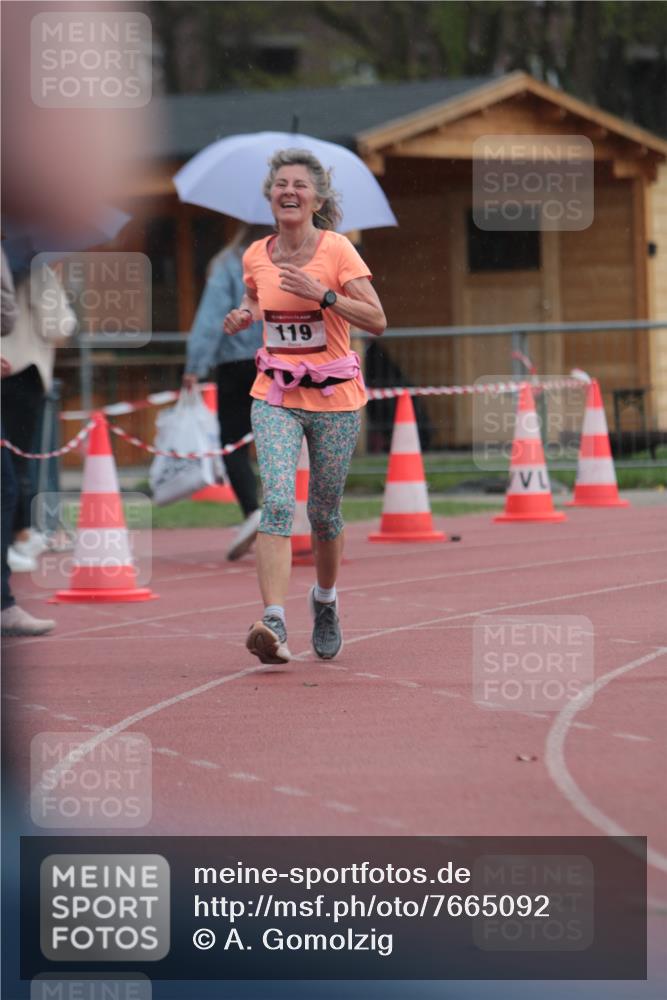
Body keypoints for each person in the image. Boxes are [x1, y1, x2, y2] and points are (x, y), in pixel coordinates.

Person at [223, 148, 386, 664]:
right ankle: (273, 618)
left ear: (317, 198)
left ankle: (326, 599)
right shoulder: (255, 253)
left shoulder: (337, 250)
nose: (288, 191)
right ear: (270, 195)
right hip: (274, 395)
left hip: (335, 398)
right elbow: (257, 296)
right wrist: (244, 316)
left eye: (299, 184)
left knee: (322, 513)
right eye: (280, 184)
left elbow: (377, 320)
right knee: (276, 501)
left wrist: (325, 296)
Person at [182, 225, 272, 560]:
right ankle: (283, 513)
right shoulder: (289, 260)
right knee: (277, 438)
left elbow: (210, 320)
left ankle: (253, 511)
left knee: (233, 442)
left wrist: (195, 365)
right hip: (280, 360)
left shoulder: (228, 264)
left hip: (237, 364)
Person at [1, 248, 56, 636]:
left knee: (13, 471)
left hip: (10, 368)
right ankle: (22, 540)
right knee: (12, 474)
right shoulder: (36, 268)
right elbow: (58, 323)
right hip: (27, 371)